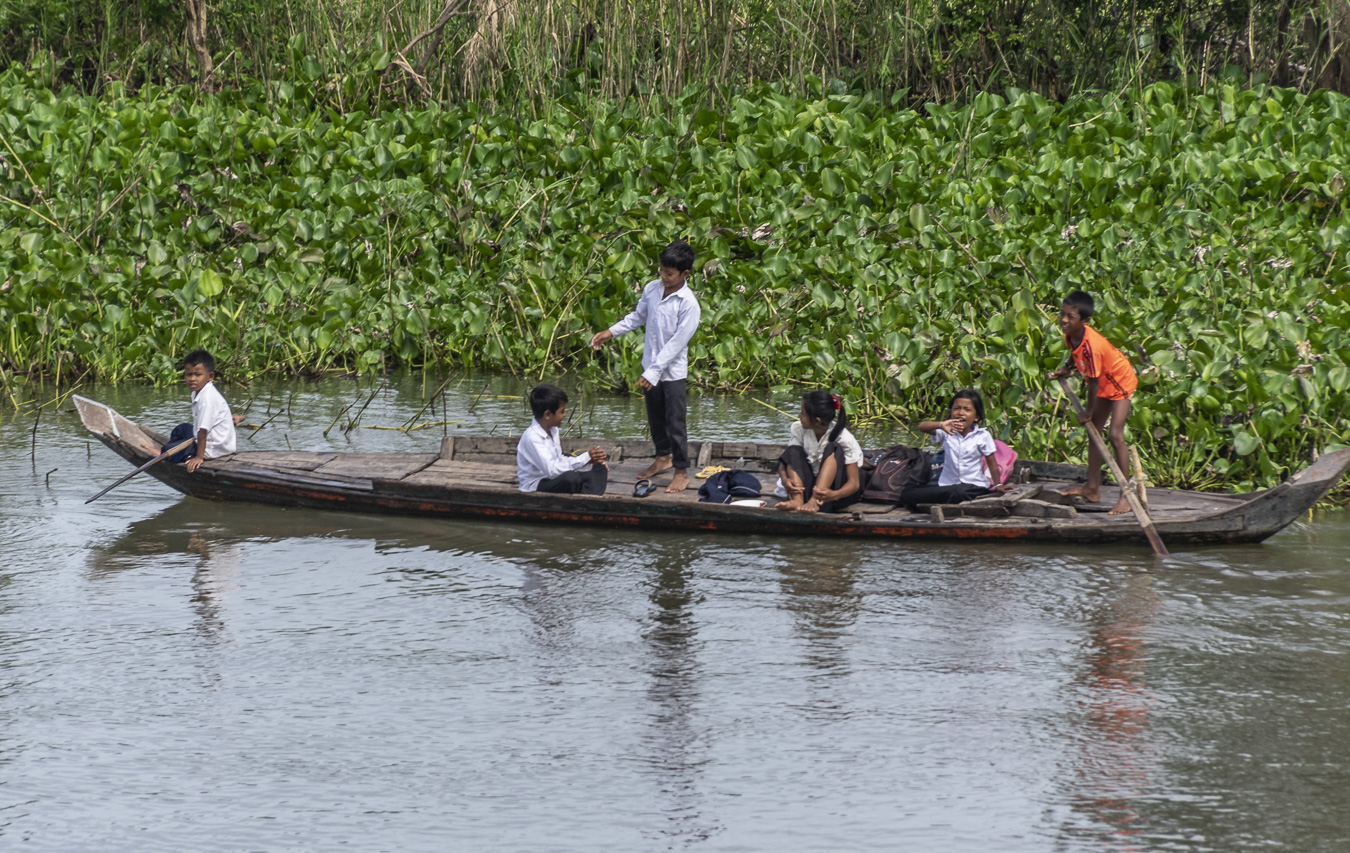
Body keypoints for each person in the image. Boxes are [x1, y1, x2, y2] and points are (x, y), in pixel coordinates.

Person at [589, 240, 700, 493]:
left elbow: (676, 344)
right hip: (650, 367)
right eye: (661, 270)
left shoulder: (689, 304)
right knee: (655, 418)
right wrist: (611, 332)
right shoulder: (652, 288)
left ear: (685, 274)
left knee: (675, 423)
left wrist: (653, 371)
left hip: (671, 373)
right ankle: (663, 458)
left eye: (669, 274)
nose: (663, 277)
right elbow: (638, 316)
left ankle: (681, 471)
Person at [1048, 290, 1138, 515]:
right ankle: (1092, 489)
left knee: (1115, 435)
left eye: (1070, 317)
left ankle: (1126, 496)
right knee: (1094, 434)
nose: (1064, 320)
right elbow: (1073, 352)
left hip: (1119, 382)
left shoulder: (1093, 346)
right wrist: (1067, 368)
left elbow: (1093, 384)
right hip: (1103, 381)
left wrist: (1088, 413)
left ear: (1085, 321)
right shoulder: (1071, 334)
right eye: (1062, 314)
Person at [900, 389, 1008, 512]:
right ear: (951, 412)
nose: (961, 413)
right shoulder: (946, 432)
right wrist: (941, 425)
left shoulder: (982, 436)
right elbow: (922, 427)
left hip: (973, 488)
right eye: (956, 408)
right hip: (947, 487)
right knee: (907, 493)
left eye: (967, 410)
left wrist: (998, 484)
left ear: (976, 417)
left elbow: (991, 462)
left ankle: (938, 502)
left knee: (959, 491)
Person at [775, 390, 864, 514]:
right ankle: (797, 500)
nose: (799, 415)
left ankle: (815, 501)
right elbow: (787, 460)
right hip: (810, 487)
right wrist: (784, 479)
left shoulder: (844, 439)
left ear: (817, 420)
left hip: (834, 494)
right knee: (793, 450)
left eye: (803, 414)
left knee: (832, 447)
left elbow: (854, 483)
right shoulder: (799, 429)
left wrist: (834, 495)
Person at [516, 384, 609, 495]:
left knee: (599, 467)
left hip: (555, 477)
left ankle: (588, 502)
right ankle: (583, 500)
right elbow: (552, 471)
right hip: (536, 484)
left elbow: (560, 459)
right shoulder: (532, 437)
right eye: (562, 411)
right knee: (570, 478)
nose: (565, 415)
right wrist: (586, 457)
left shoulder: (553, 429)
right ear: (548, 414)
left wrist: (589, 461)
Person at [164, 349, 238, 473]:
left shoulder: (207, 399)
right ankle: (170, 450)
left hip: (214, 449)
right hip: (207, 437)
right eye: (189, 375)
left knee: (170, 452)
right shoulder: (197, 392)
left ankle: (165, 453)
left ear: (210, 376)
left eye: (198, 375)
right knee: (181, 429)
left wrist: (199, 457)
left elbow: (203, 431)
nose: (192, 379)